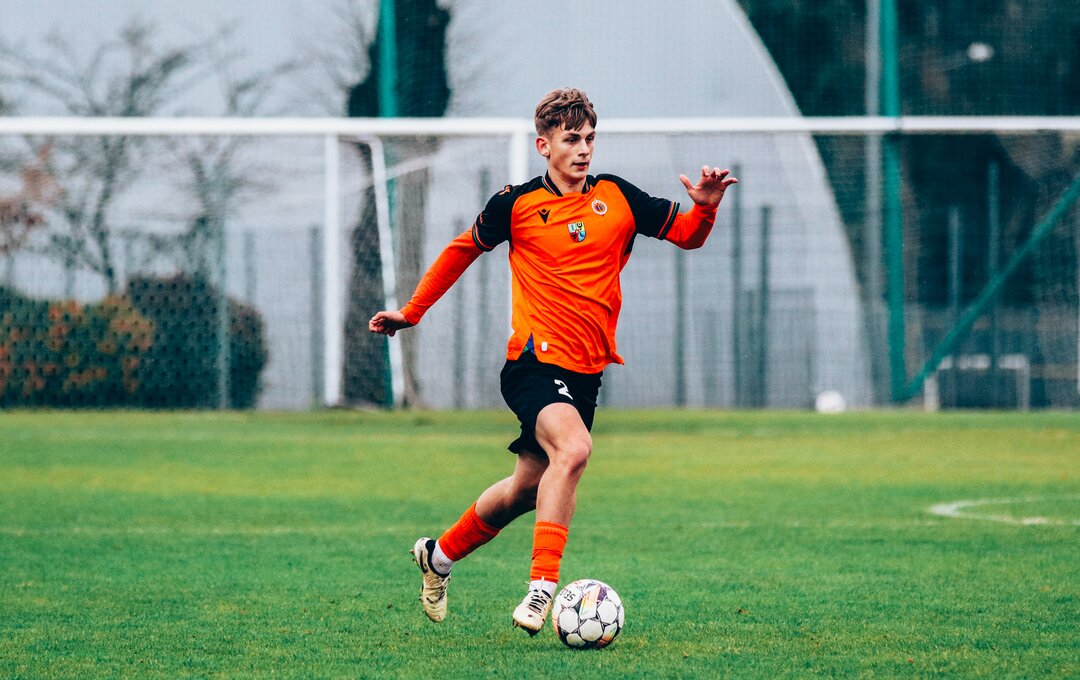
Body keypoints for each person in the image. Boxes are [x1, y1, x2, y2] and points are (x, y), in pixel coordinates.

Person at [368, 87, 737, 636]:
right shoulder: (515, 205)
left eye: (589, 138)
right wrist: (412, 312)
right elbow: (460, 251)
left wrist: (704, 207)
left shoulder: (617, 197)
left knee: (526, 488)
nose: (583, 149)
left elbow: (686, 235)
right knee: (575, 449)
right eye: (571, 139)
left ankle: (437, 557)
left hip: (586, 374)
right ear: (544, 145)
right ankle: (542, 588)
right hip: (533, 363)